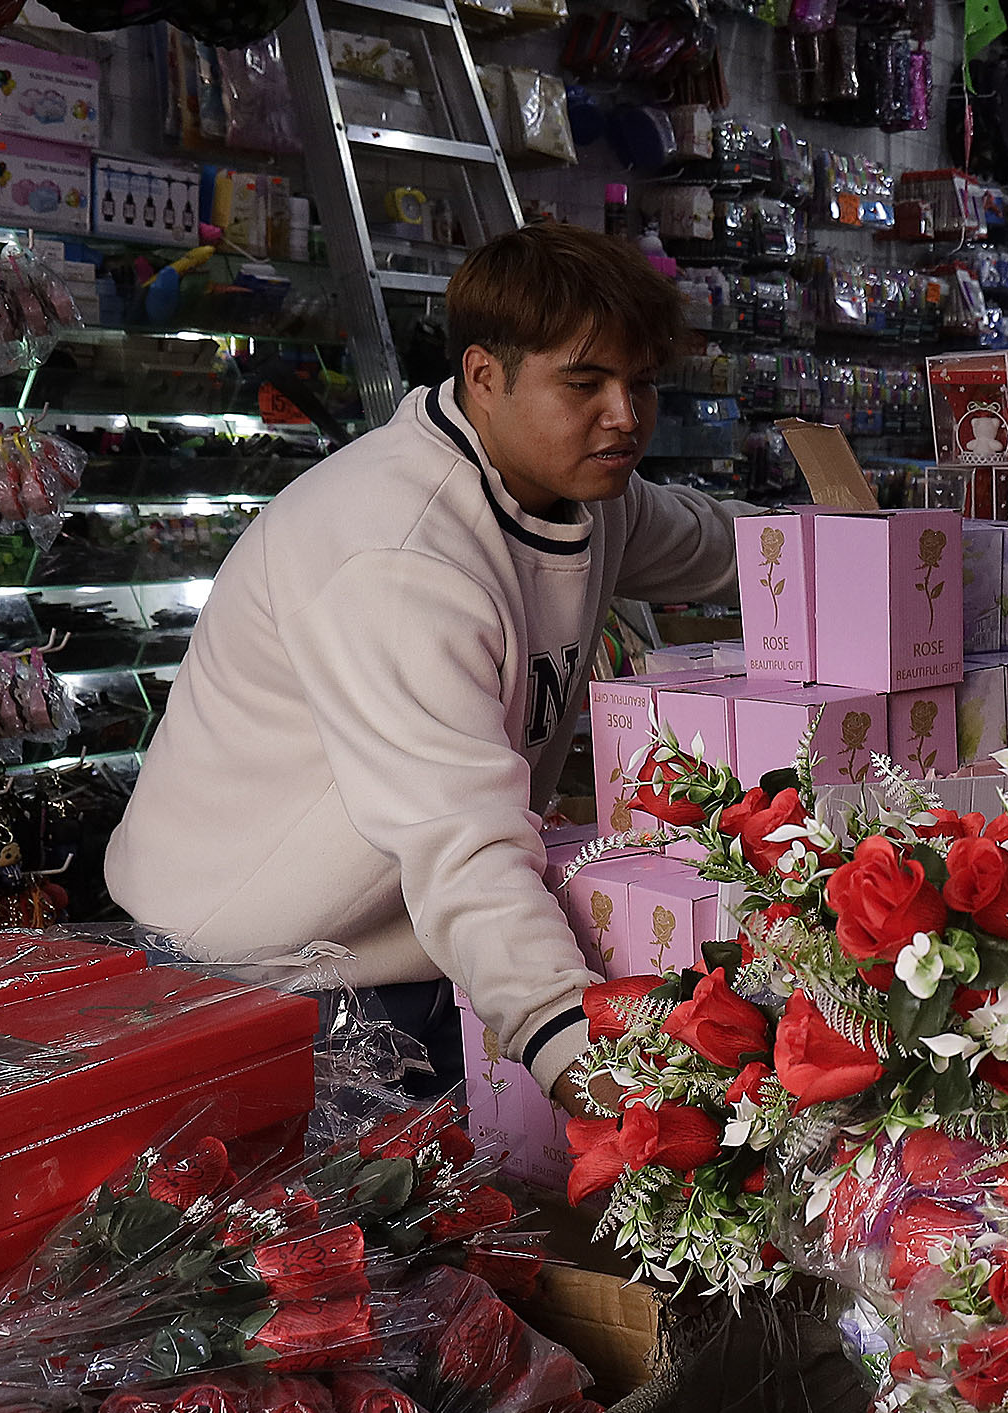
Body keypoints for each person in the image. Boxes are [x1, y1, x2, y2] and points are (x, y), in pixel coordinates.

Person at [109, 222, 734, 1105]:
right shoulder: (398, 557)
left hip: (397, 939)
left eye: (643, 384)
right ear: (484, 376)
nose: (625, 416)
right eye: (585, 383)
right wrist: (586, 1062)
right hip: (254, 971)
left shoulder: (580, 489)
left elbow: (717, 544)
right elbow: (463, 842)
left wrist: (884, 553)